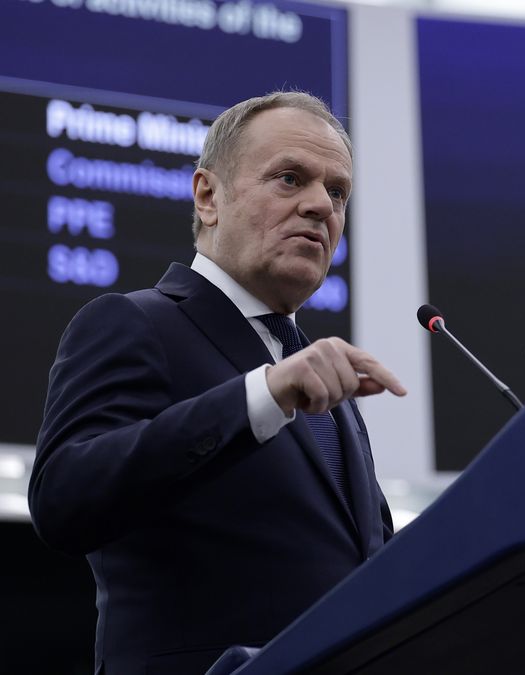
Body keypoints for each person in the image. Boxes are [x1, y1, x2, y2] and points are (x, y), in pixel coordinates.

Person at [28, 91, 407, 675]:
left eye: (337, 192)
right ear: (208, 196)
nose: (319, 206)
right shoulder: (136, 322)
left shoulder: (328, 389)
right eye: (289, 178)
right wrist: (263, 395)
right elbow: (64, 498)